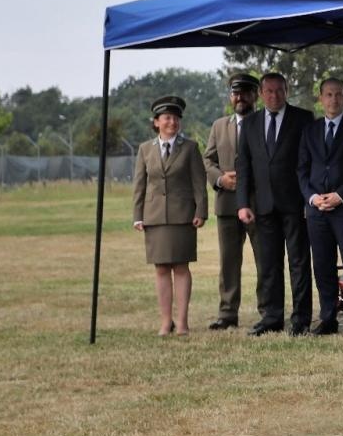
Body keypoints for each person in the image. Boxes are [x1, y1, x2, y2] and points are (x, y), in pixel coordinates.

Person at [236, 72, 315, 336]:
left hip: (296, 204)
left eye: (279, 91)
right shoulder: (249, 124)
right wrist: (242, 203)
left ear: (287, 90)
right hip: (263, 206)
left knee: (299, 263)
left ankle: (301, 319)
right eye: (268, 91)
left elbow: (310, 162)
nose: (274, 96)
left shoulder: (303, 119)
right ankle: (271, 317)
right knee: (268, 264)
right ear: (260, 93)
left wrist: (309, 198)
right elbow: (243, 165)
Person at [297, 78, 343, 336]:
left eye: (339, 94)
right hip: (316, 210)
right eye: (328, 95)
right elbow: (302, 170)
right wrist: (312, 197)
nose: (334, 99)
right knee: (323, 265)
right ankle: (328, 318)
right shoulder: (310, 130)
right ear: (321, 98)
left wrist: (340, 195)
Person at [132, 96, 207, 337]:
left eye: (175, 118)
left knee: (181, 268)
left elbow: (199, 183)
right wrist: (137, 215)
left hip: (183, 216)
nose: (172, 122)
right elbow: (139, 185)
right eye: (166, 118)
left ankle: (182, 322)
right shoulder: (145, 150)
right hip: (154, 217)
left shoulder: (191, 147)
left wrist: (201, 211)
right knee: (161, 269)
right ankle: (166, 322)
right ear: (156, 122)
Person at [203, 72, 257, 330]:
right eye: (236, 92)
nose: (240, 97)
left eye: (245, 92)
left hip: (259, 203)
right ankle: (227, 314)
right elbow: (207, 160)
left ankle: (269, 310)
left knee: (265, 261)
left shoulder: (262, 122)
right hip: (226, 204)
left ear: (255, 95)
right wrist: (220, 179)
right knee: (228, 262)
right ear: (230, 96)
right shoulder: (218, 126)